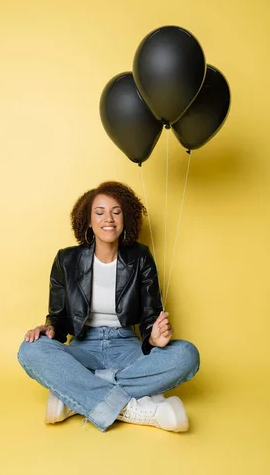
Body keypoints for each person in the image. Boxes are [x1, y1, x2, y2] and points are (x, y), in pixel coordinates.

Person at [17, 181, 200, 433]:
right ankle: (136, 409)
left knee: (187, 354)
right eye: (99, 212)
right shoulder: (66, 259)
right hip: (84, 348)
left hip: (127, 348)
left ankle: (77, 398)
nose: (109, 219)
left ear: (126, 218)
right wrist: (49, 330)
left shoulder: (140, 257)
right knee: (30, 350)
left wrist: (155, 337)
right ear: (88, 221)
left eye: (116, 211)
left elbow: (150, 315)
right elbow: (57, 319)